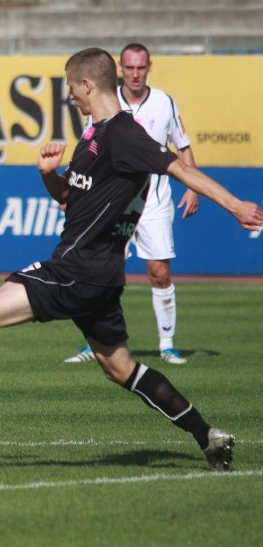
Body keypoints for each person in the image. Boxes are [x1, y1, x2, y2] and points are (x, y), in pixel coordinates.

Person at [0, 48, 262, 472]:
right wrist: (48, 175)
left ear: (88, 84)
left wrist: (235, 205)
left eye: (71, 87)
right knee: (120, 368)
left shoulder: (125, 135)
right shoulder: (95, 136)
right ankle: (207, 436)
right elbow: (72, 204)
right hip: (98, 277)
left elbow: (182, 170)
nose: (70, 95)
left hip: (77, 271)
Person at [64, 42, 198, 365]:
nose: (135, 74)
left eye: (141, 67)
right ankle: (94, 344)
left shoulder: (164, 103)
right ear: (120, 69)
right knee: (102, 271)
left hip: (153, 201)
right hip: (110, 200)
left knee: (159, 271)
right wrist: (74, 190)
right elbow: (89, 144)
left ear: (150, 67)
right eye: (129, 68)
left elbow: (182, 146)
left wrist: (192, 187)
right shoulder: (104, 102)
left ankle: (166, 344)